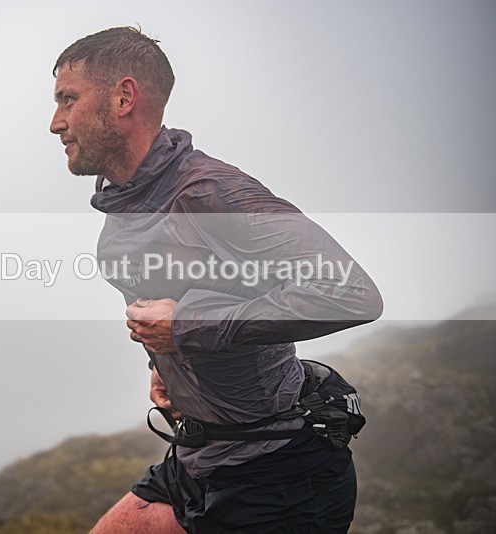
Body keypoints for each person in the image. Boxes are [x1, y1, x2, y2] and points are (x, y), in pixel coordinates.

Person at [49, 27, 383, 533]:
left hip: (280, 477)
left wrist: (185, 327)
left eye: (68, 100)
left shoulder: (209, 193)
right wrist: (167, 363)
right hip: (197, 458)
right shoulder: (126, 204)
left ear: (123, 98)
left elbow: (349, 291)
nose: (56, 123)